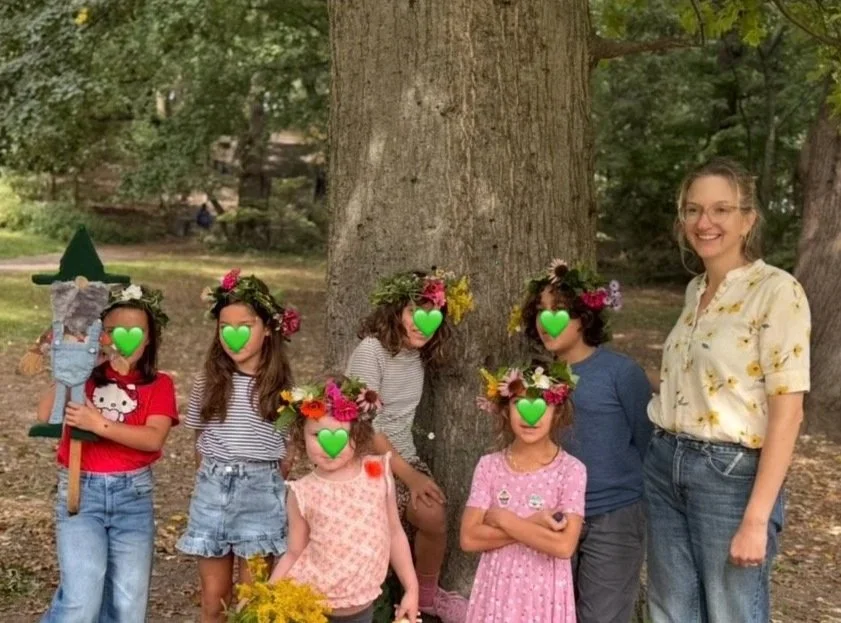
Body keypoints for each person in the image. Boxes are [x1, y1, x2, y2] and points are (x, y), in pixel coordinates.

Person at [645, 158, 811, 622]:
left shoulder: (777, 291)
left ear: (747, 219)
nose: (705, 222)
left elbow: (788, 413)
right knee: (670, 612)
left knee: (732, 613)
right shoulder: (695, 290)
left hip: (731, 477)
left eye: (721, 209)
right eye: (694, 210)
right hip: (665, 466)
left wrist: (756, 519)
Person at [512, 260, 652, 622]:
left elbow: (647, 441)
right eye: (541, 312)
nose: (547, 321)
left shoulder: (622, 374)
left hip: (613, 517)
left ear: (584, 316)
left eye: (559, 311)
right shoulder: (536, 380)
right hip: (552, 517)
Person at [37, 284, 178, 623]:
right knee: (81, 600)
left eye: (135, 331)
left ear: (148, 339)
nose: (124, 339)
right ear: (100, 334)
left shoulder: (160, 384)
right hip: (80, 492)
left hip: (133, 497)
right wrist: (73, 366)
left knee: (128, 604)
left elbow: (152, 438)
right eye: (113, 331)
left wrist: (99, 424)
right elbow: (46, 416)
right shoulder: (83, 379)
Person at [345, 269, 474, 622]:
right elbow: (363, 426)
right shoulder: (371, 351)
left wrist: (412, 474)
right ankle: (371, 599)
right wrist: (410, 478)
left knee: (434, 515)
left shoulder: (416, 356)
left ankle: (426, 596)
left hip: (403, 455)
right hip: (367, 459)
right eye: (412, 313)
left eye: (431, 316)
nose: (421, 324)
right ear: (396, 312)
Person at [176, 269, 302, 622]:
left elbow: (287, 446)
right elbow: (197, 437)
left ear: (267, 329)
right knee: (213, 599)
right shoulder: (210, 380)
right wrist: (210, 473)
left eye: (245, 326)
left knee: (254, 601)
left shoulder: (283, 388)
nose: (235, 337)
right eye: (225, 327)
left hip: (262, 492)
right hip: (213, 490)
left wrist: (264, 478)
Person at [269, 376, 419, 623]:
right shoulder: (303, 492)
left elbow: (394, 533)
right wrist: (266, 596)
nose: (330, 447)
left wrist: (412, 590)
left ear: (358, 434)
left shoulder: (378, 473)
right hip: (311, 608)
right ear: (301, 435)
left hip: (361, 607)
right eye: (318, 435)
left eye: (341, 435)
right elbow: (294, 552)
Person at [461, 362, 586, 623]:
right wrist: (533, 524)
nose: (531, 417)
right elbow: (470, 538)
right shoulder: (489, 466)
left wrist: (503, 518)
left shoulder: (571, 471)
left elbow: (563, 546)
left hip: (545, 598)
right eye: (520, 405)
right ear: (506, 410)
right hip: (496, 595)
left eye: (541, 406)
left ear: (557, 412)